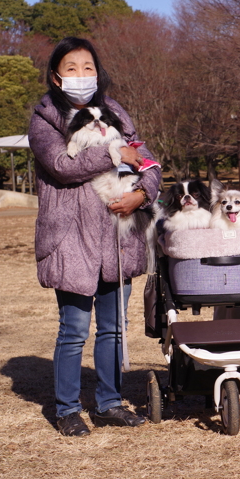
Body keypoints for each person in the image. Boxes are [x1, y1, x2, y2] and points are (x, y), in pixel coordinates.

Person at [29, 37, 161, 437]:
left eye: (88, 67)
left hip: (118, 235)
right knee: (74, 328)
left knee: (115, 326)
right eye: (71, 68)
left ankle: (109, 402)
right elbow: (62, 166)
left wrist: (142, 193)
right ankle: (68, 408)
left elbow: (148, 160)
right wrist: (114, 155)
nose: (81, 75)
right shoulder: (45, 119)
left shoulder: (115, 111)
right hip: (72, 235)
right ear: (56, 76)